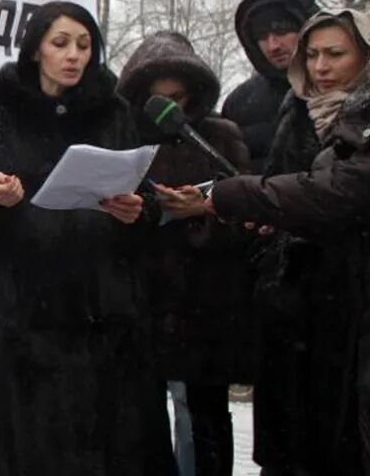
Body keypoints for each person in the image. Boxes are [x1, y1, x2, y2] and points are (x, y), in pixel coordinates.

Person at [0, 0, 173, 475]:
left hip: (112, 315)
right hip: (36, 315)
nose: (74, 55)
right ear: (36, 49)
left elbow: (148, 199)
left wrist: (139, 210)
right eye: (61, 44)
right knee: (41, 453)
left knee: (118, 450)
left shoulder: (117, 112)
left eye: (84, 44)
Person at [208, 4, 370, 475]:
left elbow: (336, 196)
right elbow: (284, 190)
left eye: (336, 54)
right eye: (313, 55)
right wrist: (269, 226)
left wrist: (240, 197)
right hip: (295, 309)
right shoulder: (295, 112)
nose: (321, 68)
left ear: (368, 56)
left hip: (358, 312)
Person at [117, 31, 254, 476]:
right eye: (158, 99)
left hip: (205, 310)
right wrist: (143, 213)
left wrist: (202, 215)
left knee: (205, 425)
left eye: (178, 97)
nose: (169, 108)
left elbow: (248, 218)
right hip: (140, 306)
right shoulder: (122, 141)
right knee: (143, 426)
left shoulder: (220, 137)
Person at [223, 0, 319, 173]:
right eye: (262, 35)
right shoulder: (240, 102)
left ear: (308, 27)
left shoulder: (344, 86)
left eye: (281, 30)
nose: (273, 45)